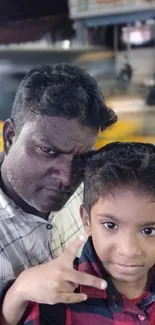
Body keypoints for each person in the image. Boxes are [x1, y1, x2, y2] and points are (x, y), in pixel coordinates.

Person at [0, 63, 117, 324]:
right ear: (9, 137)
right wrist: (17, 294)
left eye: (82, 158)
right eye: (48, 151)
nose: (67, 178)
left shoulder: (94, 191)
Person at [24, 141, 155, 324]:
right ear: (87, 221)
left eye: (149, 230)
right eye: (110, 225)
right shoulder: (55, 302)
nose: (129, 250)